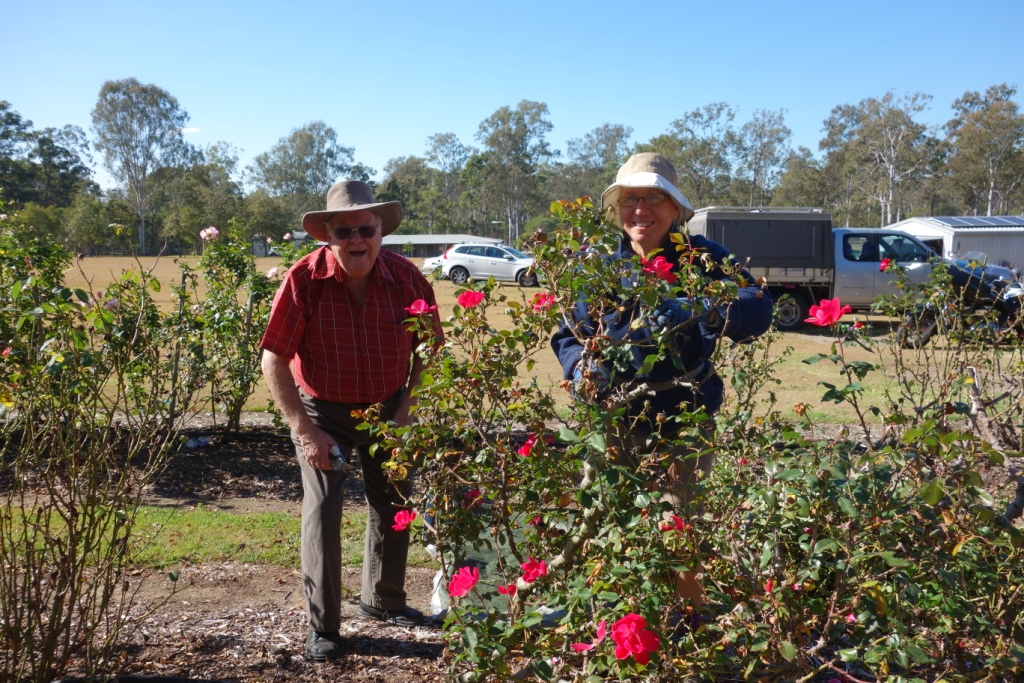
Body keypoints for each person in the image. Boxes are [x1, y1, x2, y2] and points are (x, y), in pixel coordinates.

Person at [551, 153, 773, 614]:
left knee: (679, 534)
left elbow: (758, 309)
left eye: (653, 197)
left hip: (683, 421)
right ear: (616, 209)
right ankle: (600, 625)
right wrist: (579, 370)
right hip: (614, 420)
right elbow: (566, 335)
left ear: (675, 209)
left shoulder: (705, 258)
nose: (641, 209)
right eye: (630, 198)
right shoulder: (595, 266)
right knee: (603, 526)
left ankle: (685, 630)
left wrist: (706, 307)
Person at [260, 180, 443, 662]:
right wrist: (305, 430)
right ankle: (323, 628)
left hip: (388, 407)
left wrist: (406, 412)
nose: (357, 240)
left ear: (380, 230)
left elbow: (431, 348)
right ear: (328, 236)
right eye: (345, 232)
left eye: (366, 229)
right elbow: (274, 359)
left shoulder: (408, 280)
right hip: (325, 410)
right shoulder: (302, 280)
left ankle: (383, 602)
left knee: (394, 501)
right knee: (322, 511)